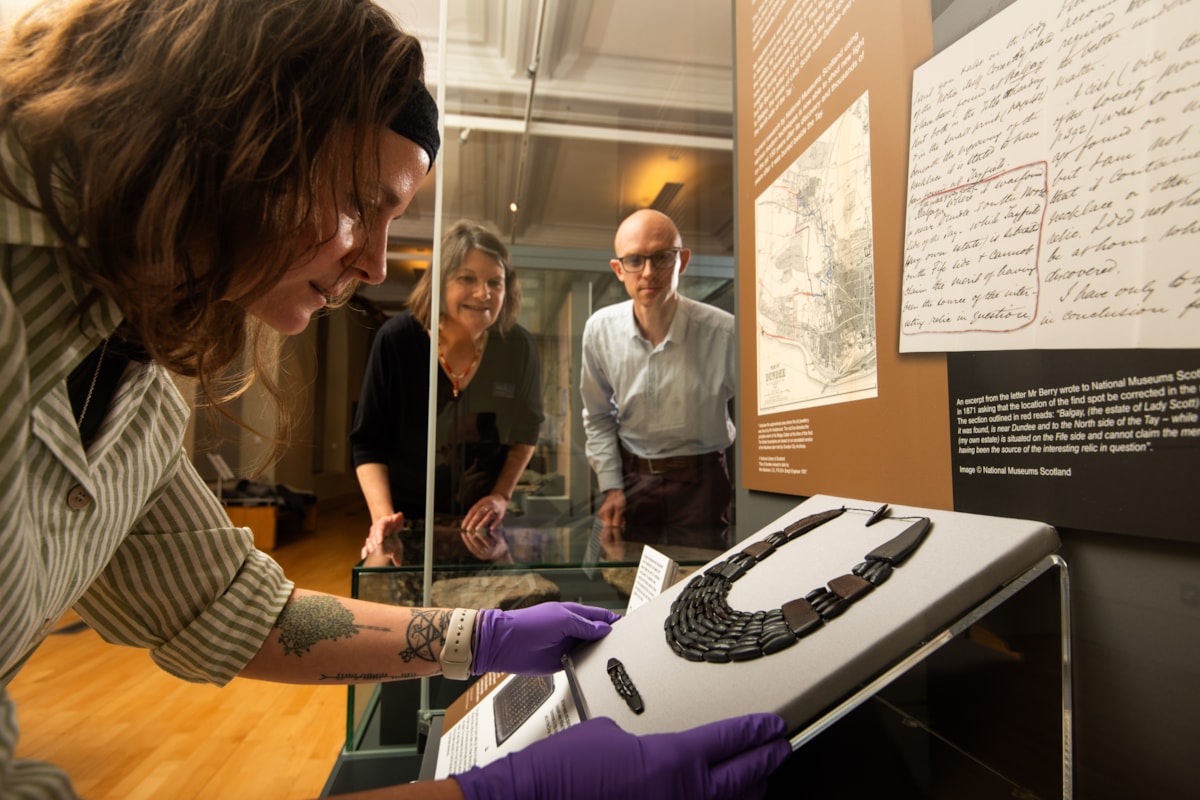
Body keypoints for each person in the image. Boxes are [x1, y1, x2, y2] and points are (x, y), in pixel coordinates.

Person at [0, 1, 790, 798]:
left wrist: (479, 636)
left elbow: (231, 605)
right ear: (236, 139)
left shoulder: (132, 388)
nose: (375, 264)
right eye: (358, 203)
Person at [352, 220, 541, 567]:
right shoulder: (396, 340)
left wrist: (501, 495)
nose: (483, 293)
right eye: (467, 278)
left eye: (494, 282)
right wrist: (384, 520)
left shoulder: (518, 347)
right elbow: (368, 443)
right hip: (406, 523)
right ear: (440, 282)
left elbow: (527, 432)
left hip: (483, 527)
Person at [580, 209, 738, 551]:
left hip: (703, 483)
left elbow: (761, 421)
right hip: (634, 480)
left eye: (662, 258)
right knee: (632, 586)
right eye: (635, 260)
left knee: (702, 587)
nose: (649, 272)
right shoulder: (599, 331)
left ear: (682, 261)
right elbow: (597, 416)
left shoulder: (725, 333)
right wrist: (611, 486)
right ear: (618, 269)